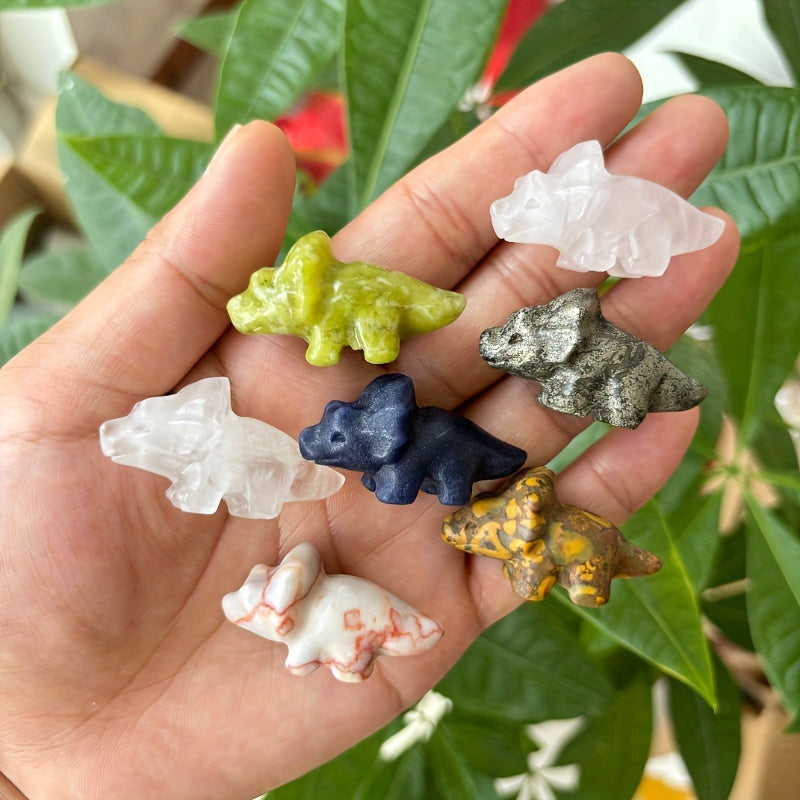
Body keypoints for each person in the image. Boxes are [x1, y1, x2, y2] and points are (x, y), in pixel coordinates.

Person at [0, 53, 738, 799]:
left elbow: (400, 471)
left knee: (467, 454)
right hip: (388, 468)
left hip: (442, 441)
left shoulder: (399, 445)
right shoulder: (342, 459)